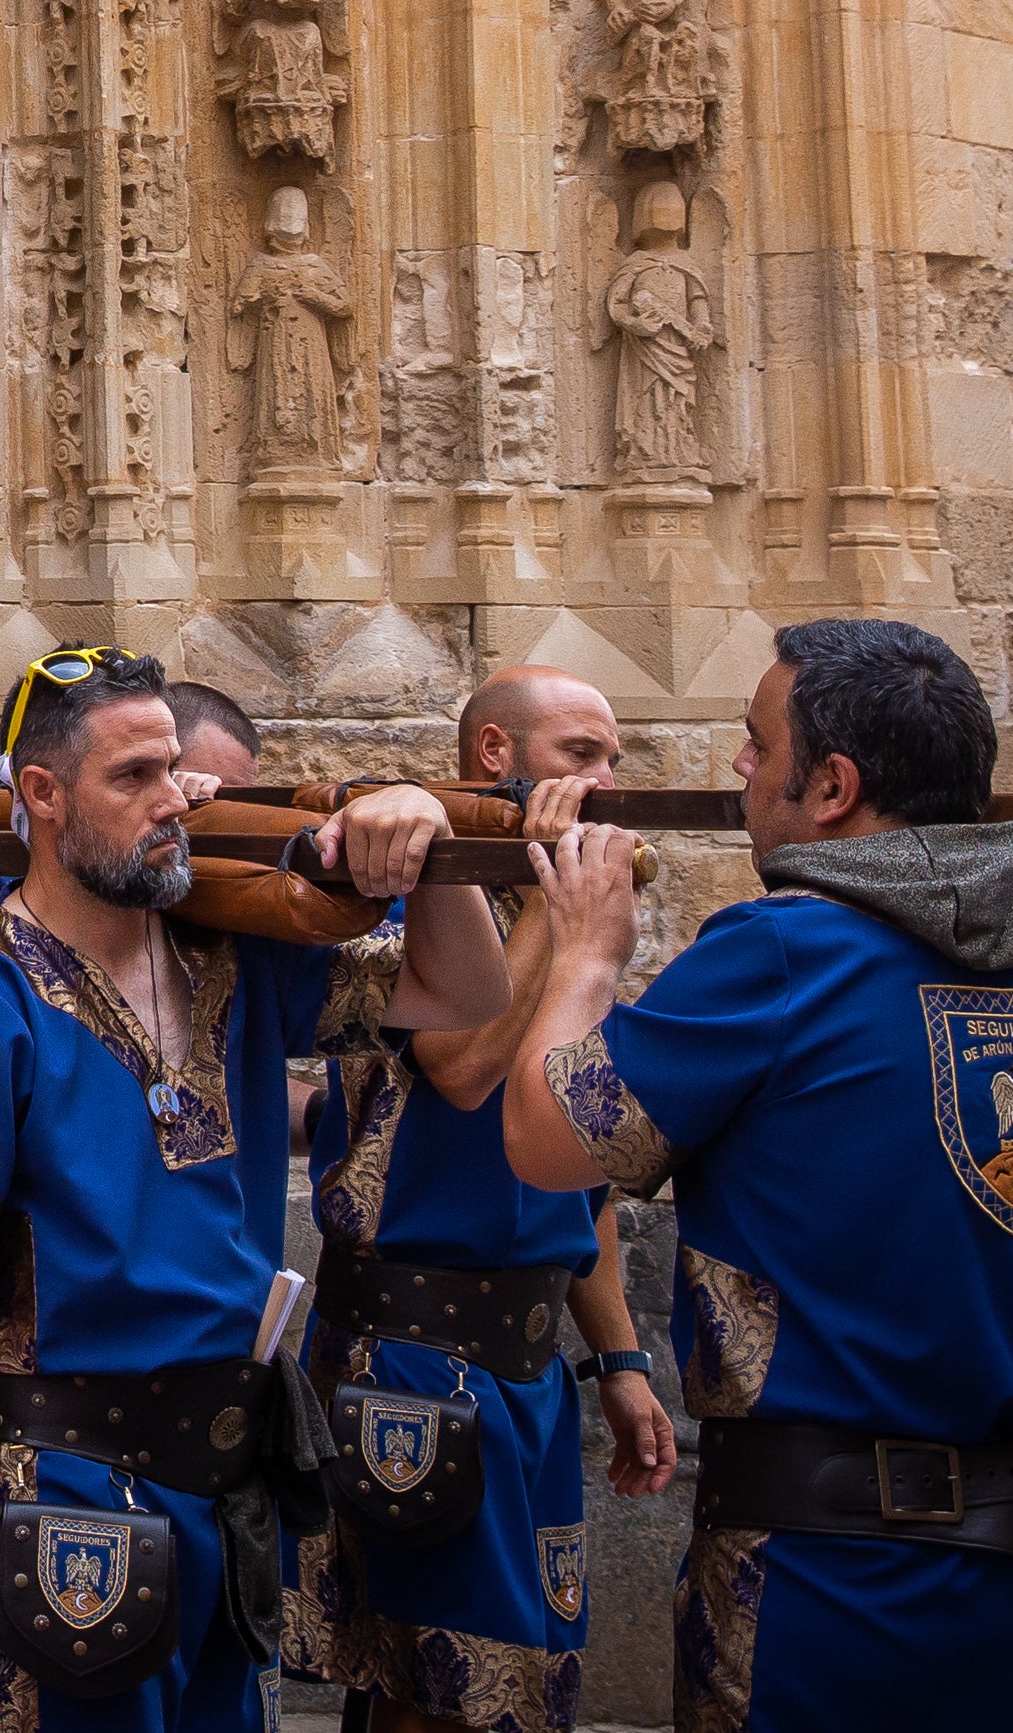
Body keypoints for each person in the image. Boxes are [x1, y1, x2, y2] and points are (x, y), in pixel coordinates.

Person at [504, 623, 1013, 1733]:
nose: (736, 766)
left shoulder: (776, 952)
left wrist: (586, 950)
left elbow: (545, 1141)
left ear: (830, 785)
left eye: (751, 741)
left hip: (825, 1589)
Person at [0, 648, 510, 1733]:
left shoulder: (231, 952)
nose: (170, 802)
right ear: (41, 794)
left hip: (225, 1473)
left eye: (174, 771)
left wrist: (420, 833)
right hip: (57, 1491)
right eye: (133, 775)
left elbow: (463, 989)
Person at [290, 667, 679, 1733]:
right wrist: (565, 920)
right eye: (578, 755)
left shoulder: (562, 914)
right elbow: (459, 1065)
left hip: (528, 1364)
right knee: (439, 1685)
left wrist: (622, 1360)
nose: (604, 779)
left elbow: (576, 1161)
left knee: (522, 1681)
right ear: (495, 757)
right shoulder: (422, 896)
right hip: (412, 1357)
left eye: (611, 755)